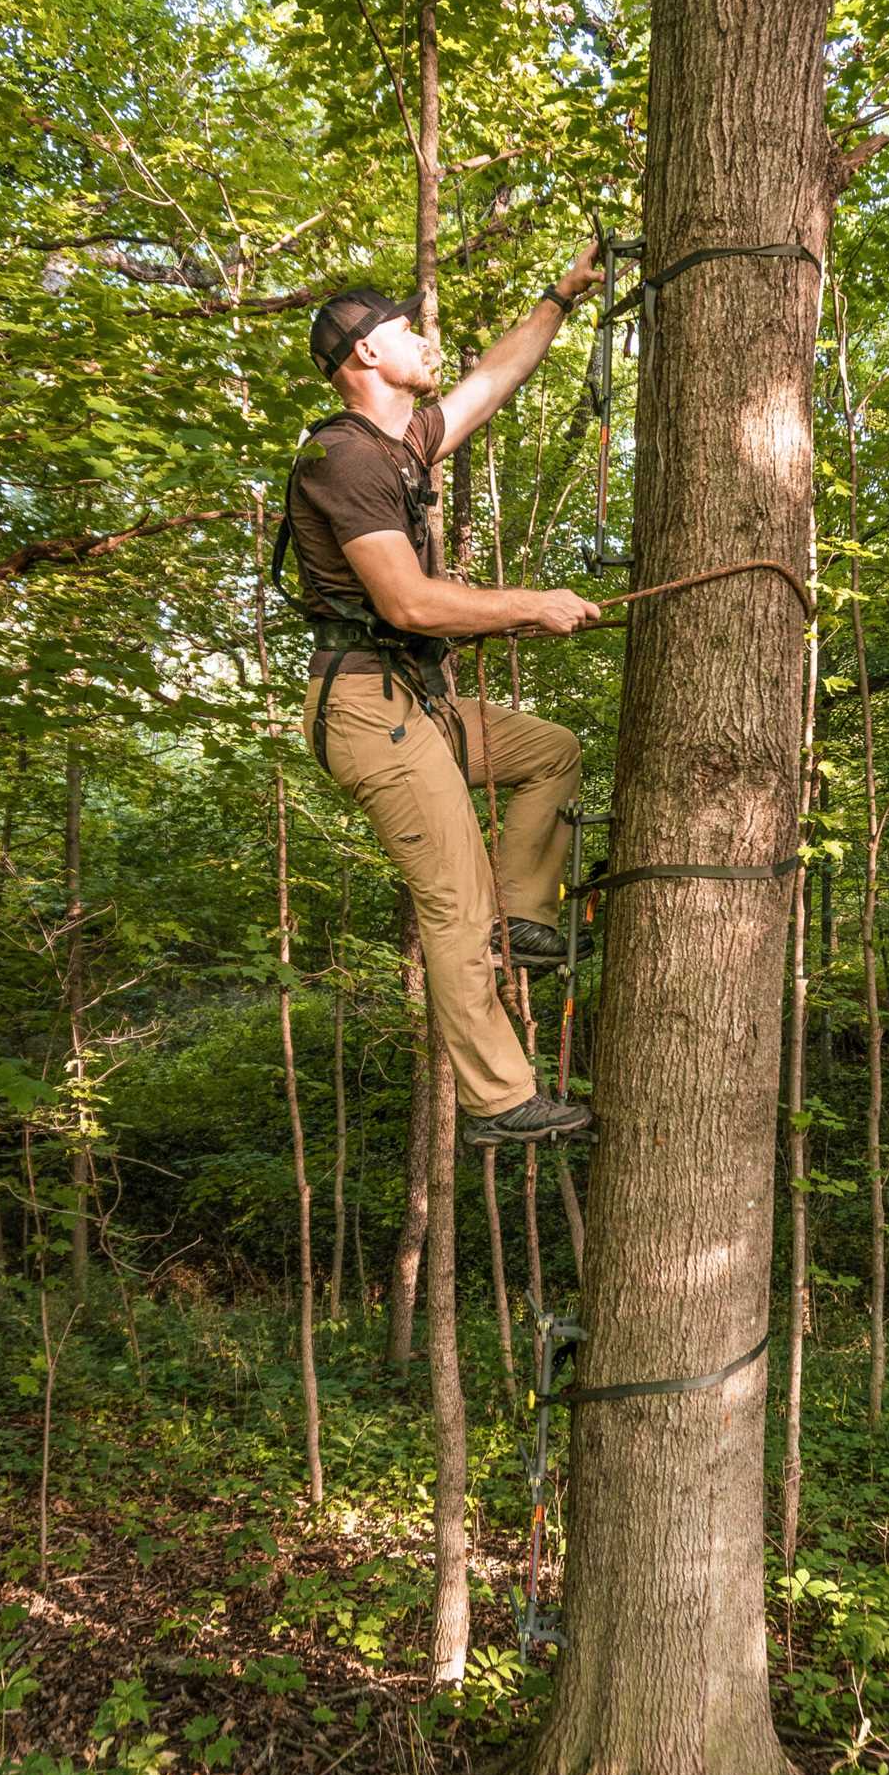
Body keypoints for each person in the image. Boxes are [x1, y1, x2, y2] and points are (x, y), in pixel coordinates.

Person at [284, 245, 602, 1148]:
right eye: (409, 332)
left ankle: (523, 920)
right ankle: (500, 1100)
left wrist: (557, 298)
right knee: (453, 902)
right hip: (366, 711)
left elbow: (491, 381)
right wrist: (529, 605)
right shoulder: (344, 460)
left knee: (551, 752)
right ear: (366, 358)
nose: (431, 343)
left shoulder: (402, 444)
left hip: (412, 701)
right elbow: (409, 602)